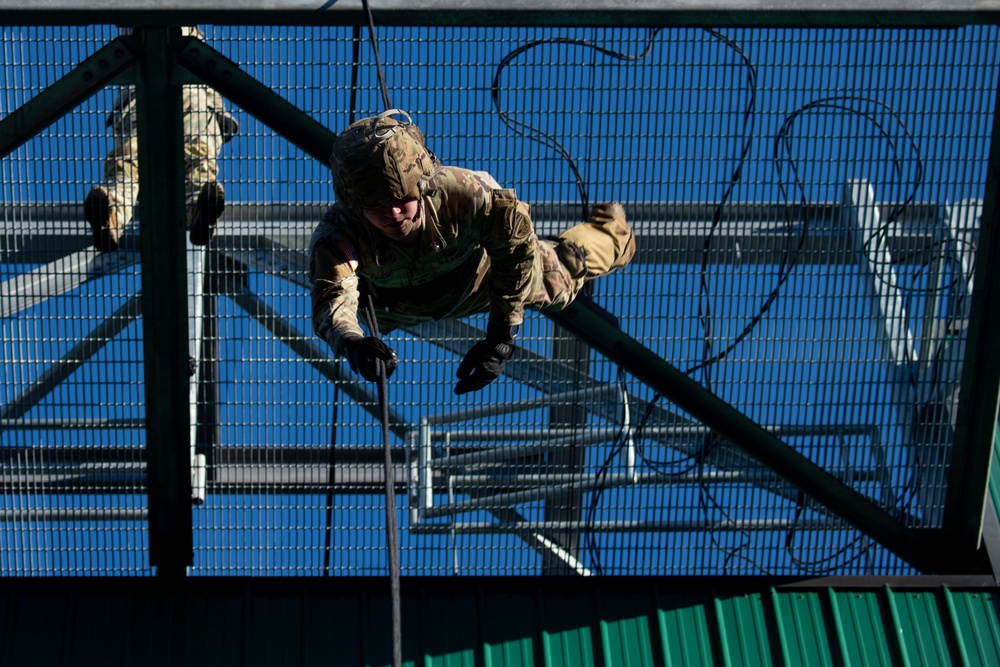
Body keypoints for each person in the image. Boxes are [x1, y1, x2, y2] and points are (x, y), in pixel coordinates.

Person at [309, 109, 636, 395]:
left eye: (401, 198)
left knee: (561, 278)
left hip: (481, 279)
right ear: (355, 205)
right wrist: (353, 344)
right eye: (377, 206)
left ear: (422, 183)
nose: (393, 214)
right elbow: (334, 298)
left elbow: (514, 252)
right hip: (396, 305)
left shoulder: (468, 195)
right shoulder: (341, 233)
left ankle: (611, 230)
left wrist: (501, 337)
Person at [84, 26, 239, 252]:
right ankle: (110, 218)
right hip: (153, 89)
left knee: (138, 157)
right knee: (137, 156)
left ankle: (199, 213)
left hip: (175, 90)